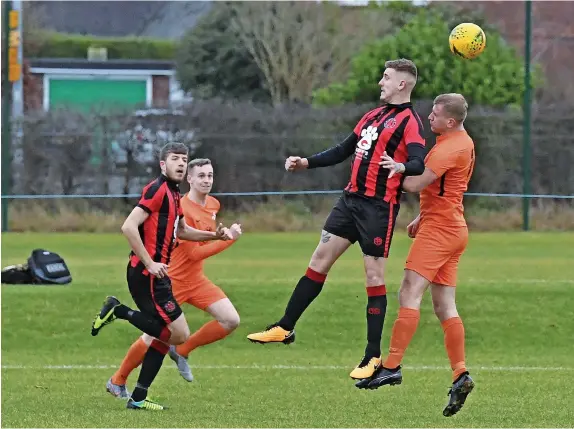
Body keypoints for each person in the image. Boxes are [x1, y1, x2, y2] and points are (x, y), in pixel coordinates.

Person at [247, 58, 426, 381]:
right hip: (349, 201)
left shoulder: (410, 121)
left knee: (373, 277)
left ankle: (372, 356)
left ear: (402, 84)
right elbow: (344, 149)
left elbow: (418, 161)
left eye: (385, 78)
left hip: (377, 208)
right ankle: (285, 327)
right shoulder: (373, 116)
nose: (380, 82)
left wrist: (401, 168)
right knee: (319, 259)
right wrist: (306, 163)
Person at [356, 93, 476, 418]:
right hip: (450, 226)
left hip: (440, 232)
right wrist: (423, 217)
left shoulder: (450, 147)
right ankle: (460, 374)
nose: (429, 118)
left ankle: (391, 365)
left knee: (409, 291)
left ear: (450, 121)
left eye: (435, 115)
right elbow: (448, 187)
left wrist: (389, 173)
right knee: (444, 305)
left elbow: (417, 183)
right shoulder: (461, 140)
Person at [91, 143, 233, 411]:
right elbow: (128, 226)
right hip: (147, 274)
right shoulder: (157, 190)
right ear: (162, 164)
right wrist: (150, 262)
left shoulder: (174, 193)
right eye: (175, 159)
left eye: (184, 159)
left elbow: (183, 232)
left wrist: (214, 235)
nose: (180, 163)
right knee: (177, 335)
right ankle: (118, 311)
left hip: (156, 275)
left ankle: (138, 397)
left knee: (165, 335)